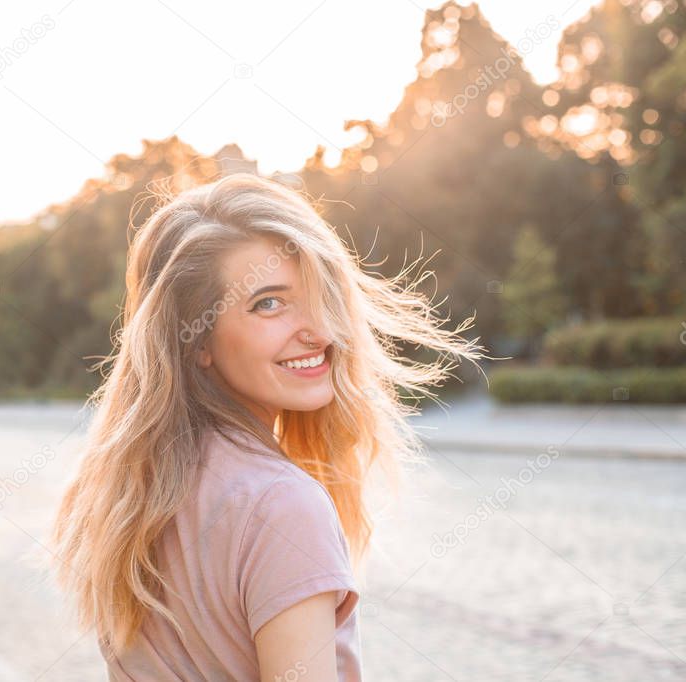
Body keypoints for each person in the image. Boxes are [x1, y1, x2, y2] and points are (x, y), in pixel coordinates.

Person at [48, 172, 485, 680]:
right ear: (196, 339)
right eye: (269, 304)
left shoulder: (132, 494)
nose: (320, 331)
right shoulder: (282, 505)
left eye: (320, 295)